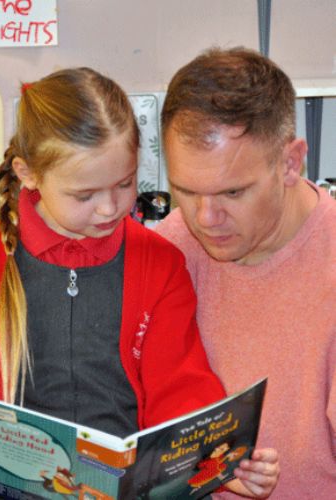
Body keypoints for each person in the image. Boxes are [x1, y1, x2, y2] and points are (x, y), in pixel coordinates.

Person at [0, 67, 278, 499]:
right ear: (28, 174)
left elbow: (180, 389)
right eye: (85, 195)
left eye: (124, 184)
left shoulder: (159, 265)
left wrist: (218, 460)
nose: (109, 208)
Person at [156, 47, 336, 499]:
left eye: (233, 192)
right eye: (185, 191)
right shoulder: (166, 250)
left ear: (290, 163)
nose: (205, 218)